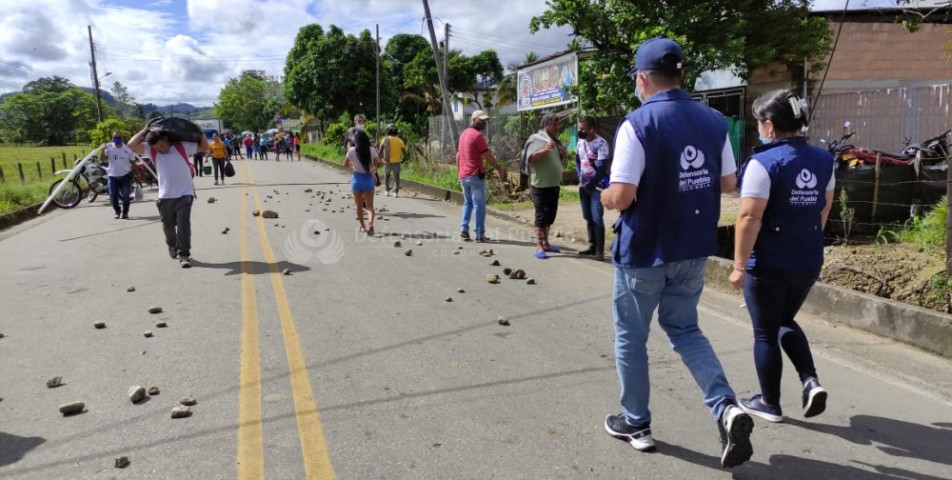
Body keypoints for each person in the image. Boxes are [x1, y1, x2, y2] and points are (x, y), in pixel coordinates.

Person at [599, 37, 753, 468]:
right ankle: (725, 407)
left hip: (645, 251)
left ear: (643, 78)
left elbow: (625, 194)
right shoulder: (714, 121)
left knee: (632, 336)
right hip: (693, 247)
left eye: (636, 80)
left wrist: (606, 197)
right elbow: (726, 183)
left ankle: (636, 422)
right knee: (685, 330)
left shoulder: (637, 123)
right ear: (680, 74)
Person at [730, 89, 834, 424]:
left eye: (760, 122)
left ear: (770, 126)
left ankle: (769, 402)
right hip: (808, 258)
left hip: (770, 263)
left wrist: (739, 266)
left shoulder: (763, 163)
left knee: (765, 331)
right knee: (783, 321)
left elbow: (749, 218)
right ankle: (810, 380)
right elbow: (824, 208)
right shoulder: (824, 159)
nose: (759, 127)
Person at [128, 125, 208, 268]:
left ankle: (184, 254)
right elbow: (131, 145)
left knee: (183, 224)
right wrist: (144, 130)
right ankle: (172, 245)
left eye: (162, 145)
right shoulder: (150, 150)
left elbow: (204, 147)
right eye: (158, 148)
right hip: (165, 195)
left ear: (165, 138)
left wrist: (199, 132)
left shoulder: (181, 146)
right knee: (168, 225)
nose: (161, 149)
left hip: (185, 193)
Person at [457, 110, 505, 243]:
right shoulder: (477, 136)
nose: (483, 123)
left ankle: (464, 229)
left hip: (464, 176)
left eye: (485, 121)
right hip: (475, 176)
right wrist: (498, 168)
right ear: (473, 120)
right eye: (481, 120)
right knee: (480, 205)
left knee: (468, 203)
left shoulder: (463, 135)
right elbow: (487, 155)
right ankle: (479, 234)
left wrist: (459, 172)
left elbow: (458, 155)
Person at [523, 113, 566, 259]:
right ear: (546, 124)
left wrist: (561, 155)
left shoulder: (553, 141)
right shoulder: (537, 139)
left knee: (549, 216)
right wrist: (545, 149)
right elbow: (531, 159)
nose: (557, 128)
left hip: (553, 184)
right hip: (541, 185)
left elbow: (553, 158)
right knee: (541, 217)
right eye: (554, 125)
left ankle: (546, 243)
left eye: (557, 124)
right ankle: (539, 246)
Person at [575, 115, 610, 260]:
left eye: (583, 129)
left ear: (592, 129)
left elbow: (602, 168)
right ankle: (592, 246)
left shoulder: (601, 143)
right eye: (579, 128)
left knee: (597, 217)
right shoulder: (580, 142)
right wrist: (579, 176)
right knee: (587, 216)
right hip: (583, 186)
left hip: (597, 187)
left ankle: (600, 251)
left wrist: (591, 184)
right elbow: (578, 159)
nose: (580, 131)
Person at [343, 129, 379, 235]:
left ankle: (363, 227)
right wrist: (372, 171)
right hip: (368, 180)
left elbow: (345, 164)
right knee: (370, 206)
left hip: (356, 180)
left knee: (358, 205)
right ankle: (371, 224)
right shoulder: (372, 150)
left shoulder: (351, 151)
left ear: (356, 140)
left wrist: (353, 165)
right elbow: (376, 164)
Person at [101, 131, 136, 219]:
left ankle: (125, 212)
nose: (117, 139)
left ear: (122, 138)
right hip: (112, 176)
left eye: (119, 137)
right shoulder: (109, 149)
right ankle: (117, 211)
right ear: (112, 139)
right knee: (113, 195)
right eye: (115, 138)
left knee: (126, 196)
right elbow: (103, 160)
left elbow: (133, 162)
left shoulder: (127, 149)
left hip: (125, 176)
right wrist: (102, 150)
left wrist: (136, 174)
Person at [378, 124, 406, 197]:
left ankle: (387, 190)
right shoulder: (400, 141)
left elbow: (380, 151)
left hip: (387, 162)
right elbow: (404, 152)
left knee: (387, 176)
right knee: (396, 177)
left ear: (388, 131)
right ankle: (396, 192)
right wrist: (404, 159)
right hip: (397, 162)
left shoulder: (385, 139)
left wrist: (379, 159)